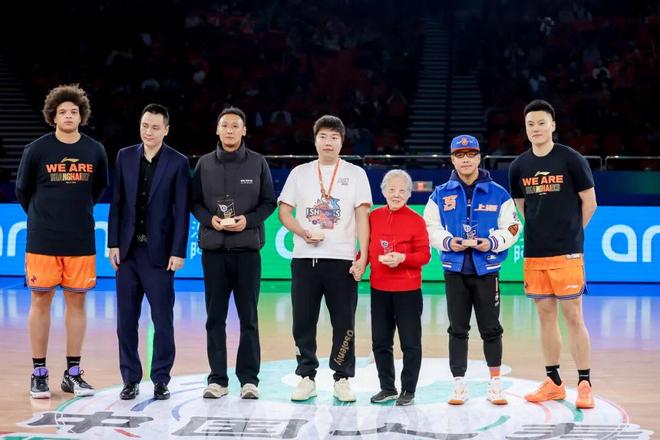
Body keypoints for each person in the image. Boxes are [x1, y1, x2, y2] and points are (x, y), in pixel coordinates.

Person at [15, 84, 109, 399]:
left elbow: (98, 189)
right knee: (40, 301)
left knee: (77, 303)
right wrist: (43, 217)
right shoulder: (36, 149)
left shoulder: (95, 150)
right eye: (62, 111)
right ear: (53, 116)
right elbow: (23, 190)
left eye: (73, 111)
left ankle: (73, 374)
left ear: (81, 116)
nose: (68, 116)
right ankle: (39, 373)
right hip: (42, 239)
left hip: (80, 239)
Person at [509, 100, 597, 409]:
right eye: (530, 124)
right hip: (535, 254)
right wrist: (541, 232)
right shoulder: (518, 166)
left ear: (553, 126)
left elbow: (590, 203)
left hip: (568, 253)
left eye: (541, 123)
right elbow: (522, 208)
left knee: (573, 316)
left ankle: (584, 383)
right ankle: (554, 382)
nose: (536, 128)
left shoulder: (571, 159)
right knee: (545, 318)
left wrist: (572, 234)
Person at [278, 115, 372, 402]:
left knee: (344, 322)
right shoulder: (300, 173)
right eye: (323, 136)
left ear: (342, 142)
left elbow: (362, 217)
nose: (328, 142)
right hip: (304, 259)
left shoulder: (356, 174)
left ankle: (342, 378)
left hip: (342, 260)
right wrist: (303, 232)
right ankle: (306, 376)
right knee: (302, 321)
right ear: (315, 140)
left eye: (334, 137)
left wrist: (363, 256)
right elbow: (284, 212)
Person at [424, 135, 521, 405]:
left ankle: (496, 385)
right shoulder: (440, 194)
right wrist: (447, 241)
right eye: (459, 155)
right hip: (454, 270)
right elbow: (430, 227)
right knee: (457, 329)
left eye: (470, 154)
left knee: (491, 329)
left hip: (487, 270)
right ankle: (458, 385)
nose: (465, 159)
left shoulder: (499, 193)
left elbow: (513, 228)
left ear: (479, 157)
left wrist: (492, 242)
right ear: (452, 159)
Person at [192, 107, 276, 400]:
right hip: (214, 252)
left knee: (249, 318)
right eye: (225, 125)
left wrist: (247, 221)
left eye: (235, 125)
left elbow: (269, 202)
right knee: (214, 318)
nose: (229, 130)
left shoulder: (258, 162)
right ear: (217, 130)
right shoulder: (204, 164)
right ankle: (217, 379)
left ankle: (249, 380)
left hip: (247, 252)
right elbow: (194, 203)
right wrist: (210, 220)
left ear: (244, 131)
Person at [108, 104, 190, 400]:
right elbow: (117, 203)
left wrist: (178, 251)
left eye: (155, 127)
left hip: (159, 256)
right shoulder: (125, 156)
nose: (149, 132)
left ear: (166, 130)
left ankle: (161, 379)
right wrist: (113, 243)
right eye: (145, 126)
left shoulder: (178, 162)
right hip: (128, 253)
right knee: (125, 321)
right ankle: (130, 379)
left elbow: (181, 211)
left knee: (163, 322)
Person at [366, 170, 430, 406]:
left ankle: (408, 390)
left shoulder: (416, 220)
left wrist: (402, 258)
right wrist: (359, 263)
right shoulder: (373, 217)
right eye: (391, 190)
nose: (396, 194)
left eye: (402, 190)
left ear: (409, 194)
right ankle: (387, 388)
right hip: (379, 288)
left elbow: (424, 255)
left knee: (410, 343)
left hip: (408, 290)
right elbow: (366, 248)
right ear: (383, 191)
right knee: (380, 341)